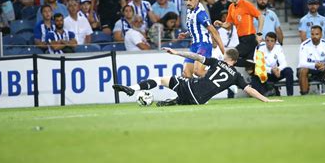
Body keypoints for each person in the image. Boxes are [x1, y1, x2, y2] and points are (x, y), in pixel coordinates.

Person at [112, 47, 281, 106]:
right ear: (235, 62)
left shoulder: (216, 62)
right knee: (190, 92)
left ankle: (132, 89)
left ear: (227, 58)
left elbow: (196, 57)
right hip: (200, 100)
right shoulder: (236, 75)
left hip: (192, 87)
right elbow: (250, 90)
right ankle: (176, 101)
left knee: (161, 80)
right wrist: (267, 100)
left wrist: (176, 53)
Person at [178, 0, 225, 77]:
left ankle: (221, 76)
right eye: (186, 0)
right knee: (186, 73)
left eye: (190, 0)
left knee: (198, 71)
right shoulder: (189, 10)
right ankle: (196, 91)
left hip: (204, 45)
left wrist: (224, 52)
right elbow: (195, 26)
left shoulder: (201, 14)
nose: (188, 2)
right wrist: (186, 34)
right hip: (194, 46)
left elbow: (214, 32)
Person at [213, 0, 264, 65]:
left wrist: (259, 33)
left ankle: (252, 65)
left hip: (249, 38)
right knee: (245, 64)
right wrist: (221, 24)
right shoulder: (231, 7)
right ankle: (252, 66)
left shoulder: (246, 4)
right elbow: (228, 25)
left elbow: (260, 17)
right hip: (240, 39)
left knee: (230, 56)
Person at [298, 25, 325, 94]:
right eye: (312, 34)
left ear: (321, 35)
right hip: (309, 70)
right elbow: (302, 63)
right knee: (303, 70)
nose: (314, 36)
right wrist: (315, 65)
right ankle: (304, 95)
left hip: (322, 70)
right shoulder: (304, 45)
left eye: (317, 34)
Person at [254, 32, 294, 96]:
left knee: (289, 70)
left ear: (275, 42)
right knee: (257, 72)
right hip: (265, 73)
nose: (269, 43)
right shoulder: (260, 48)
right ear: (265, 41)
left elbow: (284, 63)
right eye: (267, 41)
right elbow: (258, 65)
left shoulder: (278, 47)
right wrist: (271, 70)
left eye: (272, 41)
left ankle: (290, 95)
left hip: (276, 73)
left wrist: (278, 69)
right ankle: (261, 94)